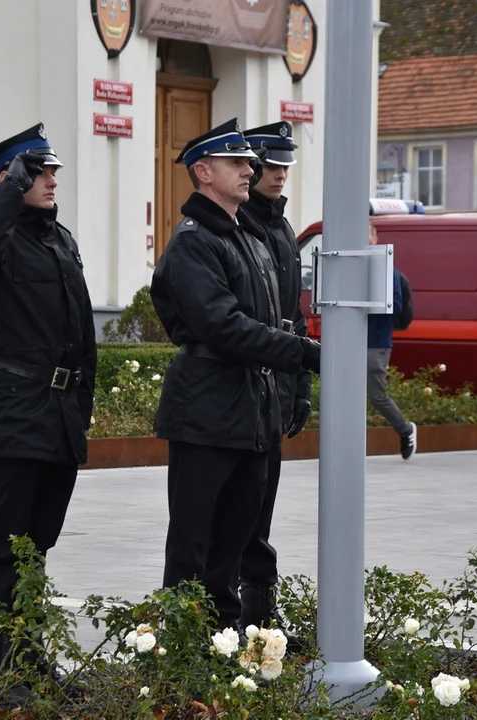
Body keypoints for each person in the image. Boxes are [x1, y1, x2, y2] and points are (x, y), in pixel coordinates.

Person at [150, 118, 322, 634]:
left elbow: (276, 316)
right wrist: (305, 354)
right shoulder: (195, 242)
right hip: (208, 410)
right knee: (194, 547)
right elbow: (221, 326)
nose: (250, 169)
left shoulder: (246, 236)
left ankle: (224, 649)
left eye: (250, 161)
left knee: (233, 542)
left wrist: (294, 378)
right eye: (236, 162)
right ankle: (181, 656)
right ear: (203, 172)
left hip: (249, 409)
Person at [0, 123, 98, 680]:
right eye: (40, 169)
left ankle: (30, 652)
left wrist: (82, 404)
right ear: (11, 177)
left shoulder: (58, 240)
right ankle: (6, 664)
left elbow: (82, 333)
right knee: (5, 542)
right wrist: (8, 192)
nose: (52, 179)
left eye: (54, 169)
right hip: (12, 408)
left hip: (58, 412)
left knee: (38, 541)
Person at [235, 121, 311, 638]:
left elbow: (295, 313)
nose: (281, 174)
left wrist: (301, 384)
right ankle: (241, 615)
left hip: (278, 375)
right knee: (242, 503)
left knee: (263, 503)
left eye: (287, 166)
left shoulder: (281, 227)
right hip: (247, 376)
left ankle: (260, 613)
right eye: (273, 165)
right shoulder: (241, 225)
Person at [367, 223, 417, 459]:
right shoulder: (350, 266)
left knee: (377, 395)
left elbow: (395, 307)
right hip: (350, 344)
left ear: (375, 238)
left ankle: (405, 430)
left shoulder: (389, 272)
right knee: (340, 393)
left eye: (365, 234)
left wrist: (365, 303)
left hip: (376, 343)